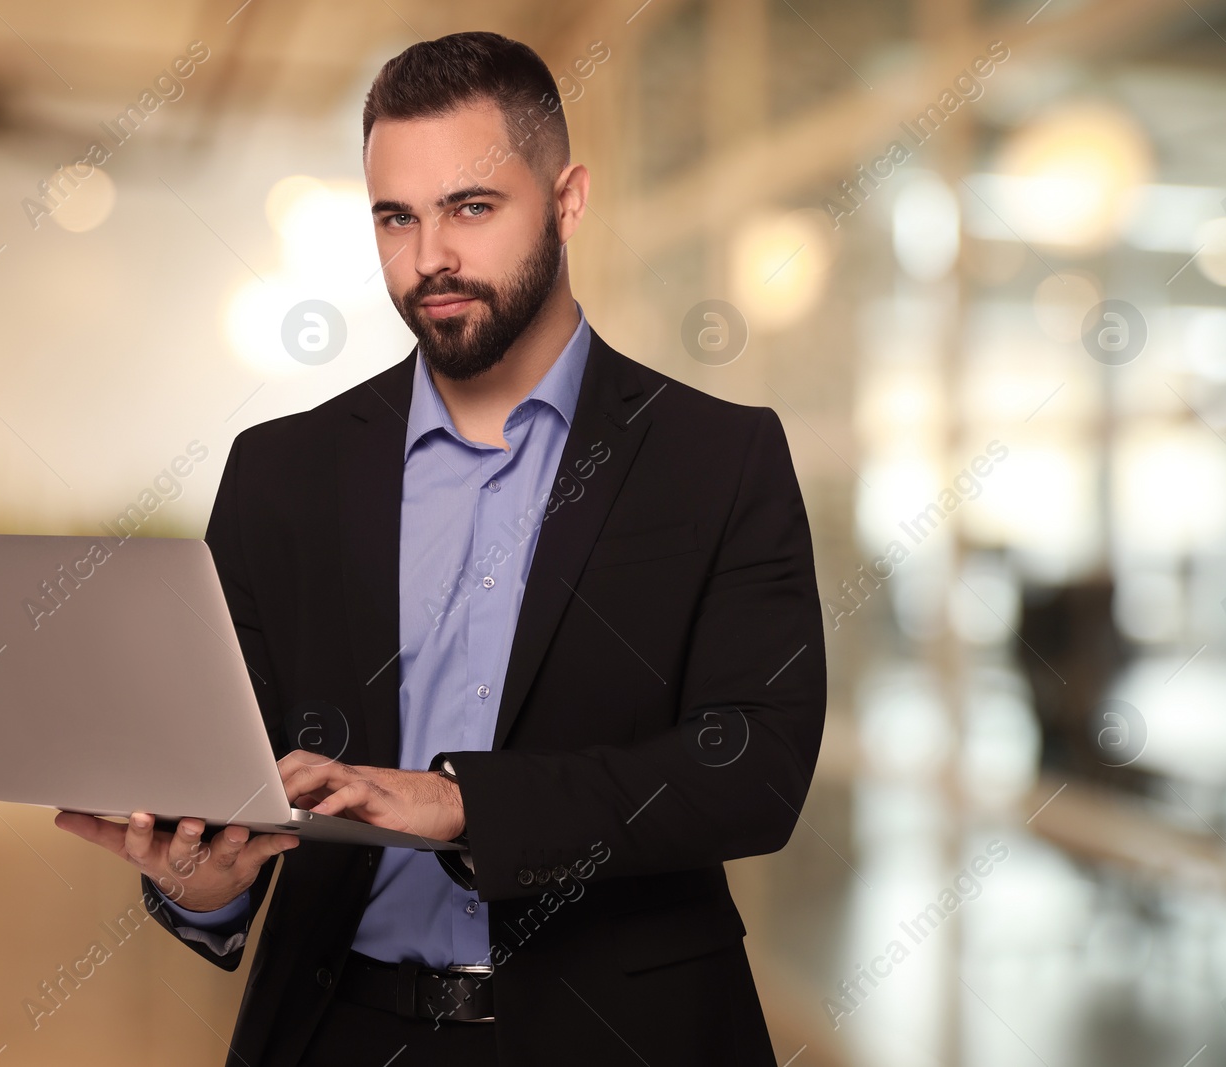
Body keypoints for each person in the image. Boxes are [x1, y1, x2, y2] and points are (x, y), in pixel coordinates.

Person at [56, 30, 826, 1067]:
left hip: (626, 1033)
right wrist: (202, 883)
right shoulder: (281, 472)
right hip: (339, 1026)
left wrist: (464, 801)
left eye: (471, 208)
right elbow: (227, 763)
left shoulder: (716, 458)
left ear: (567, 200)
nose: (429, 260)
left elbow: (755, 769)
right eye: (395, 218)